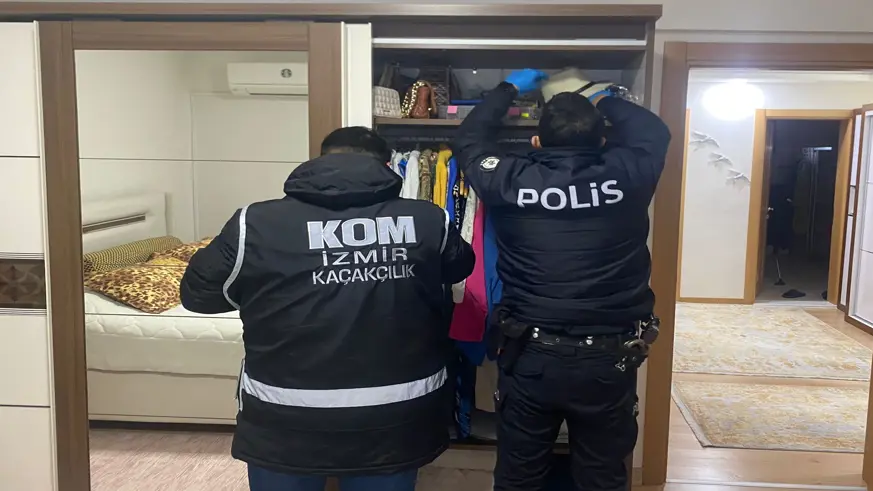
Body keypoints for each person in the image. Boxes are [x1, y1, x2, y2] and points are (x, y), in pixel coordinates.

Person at [179, 126, 476, 491]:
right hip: (394, 418)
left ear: (320, 160)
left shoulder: (254, 223)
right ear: (387, 166)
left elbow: (198, 295)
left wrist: (277, 288)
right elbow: (459, 267)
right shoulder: (428, 220)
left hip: (285, 418)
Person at [453, 69, 671, 491]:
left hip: (531, 357)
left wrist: (508, 89)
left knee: (520, 477)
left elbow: (470, 139)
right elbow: (653, 131)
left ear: (536, 142)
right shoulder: (630, 170)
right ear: (602, 142)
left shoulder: (508, 178)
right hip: (609, 358)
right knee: (601, 477)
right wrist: (600, 96)